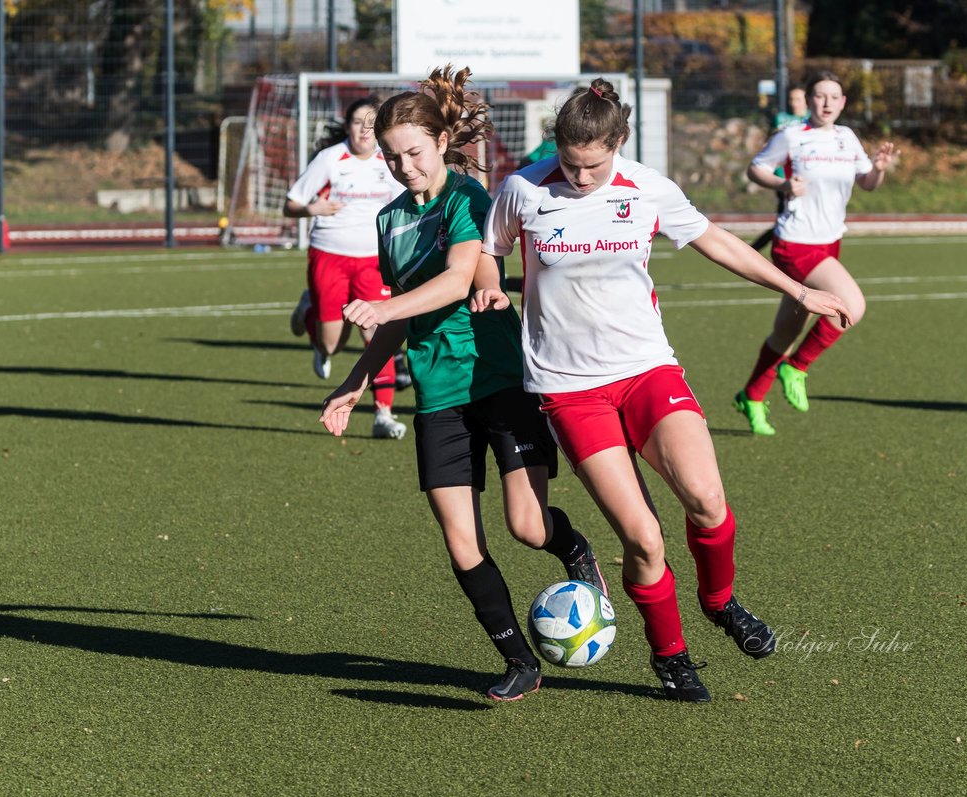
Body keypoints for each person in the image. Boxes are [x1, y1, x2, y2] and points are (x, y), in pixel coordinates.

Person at [477, 79, 852, 702]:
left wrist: (798, 291)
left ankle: (720, 601)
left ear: (618, 143)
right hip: (570, 390)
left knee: (706, 499)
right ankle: (671, 657)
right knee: (643, 538)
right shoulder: (524, 190)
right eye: (569, 163)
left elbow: (715, 241)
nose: (580, 175)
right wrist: (489, 285)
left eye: (593, 163)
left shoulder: (649, 187)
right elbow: (489, 251)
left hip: (648, 370)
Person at [319, 66, 607, 702]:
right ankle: (519, 661)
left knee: (528, 527)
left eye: (414, 153)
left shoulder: (469, 199)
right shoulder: (389, 219)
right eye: (393, 158)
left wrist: (386, 308)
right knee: (460, 539)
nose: (404, 168)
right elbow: (402, 314)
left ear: (442, 143)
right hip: (438, 396)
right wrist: (356, 381)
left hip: (499, 380)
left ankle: (577, 550)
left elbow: (455, 280)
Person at [735, 70, 899, 436]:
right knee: (851, 306)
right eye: (820, 96)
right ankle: (797, 368)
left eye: (834, 97)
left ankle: (752, 395)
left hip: (828, 243)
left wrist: (879, 170)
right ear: (808, 100)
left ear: (843, 103)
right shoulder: (792, 136)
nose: (827, 103)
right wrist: (783, 184)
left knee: (786, 330)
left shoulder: (847, 138)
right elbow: (756, 168)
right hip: (795, 243)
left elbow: (867, 183)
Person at [283, 97, 408, 440]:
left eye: (371, 123)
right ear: (347, 125)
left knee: (378, 335)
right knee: (331, 344)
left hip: (374, 261)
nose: (364, 130)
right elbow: (290, 205)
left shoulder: (391, 159)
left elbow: (412, 198)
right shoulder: (330, 159)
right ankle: (310, 310)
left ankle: (383, 414)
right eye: (357, 122)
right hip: (330, 256)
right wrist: (313, 208)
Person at [750, 86, 809, 253]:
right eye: (791, 99)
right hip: (783, 176)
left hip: (805, 177)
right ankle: (754, 251)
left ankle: (754, 251)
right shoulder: (781, 119)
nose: (794, 103)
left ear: (807, 101)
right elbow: (770, 144)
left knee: (789, 218)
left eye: (798, 99)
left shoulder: (813, 120)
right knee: (786, 217)